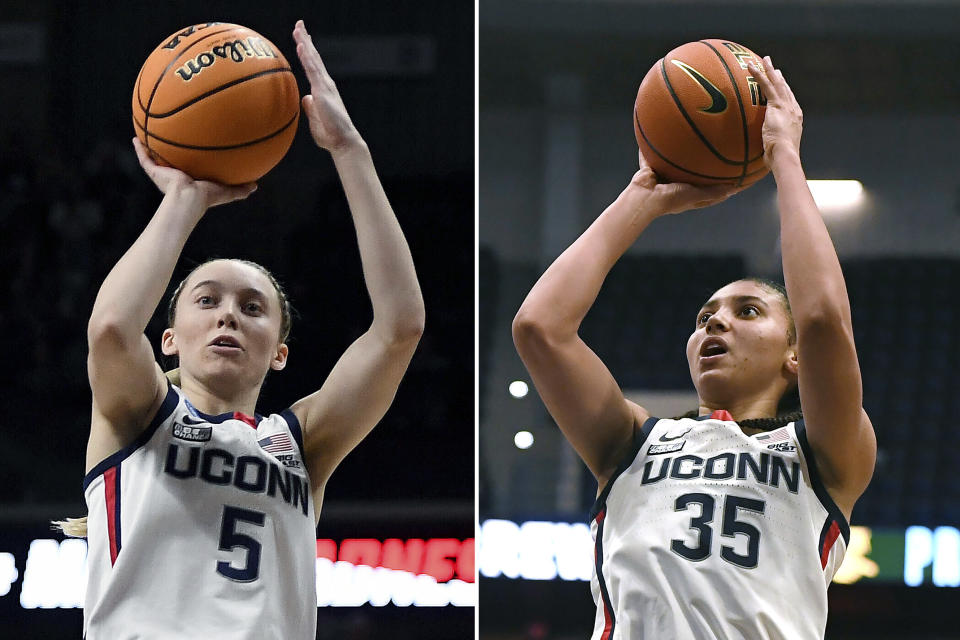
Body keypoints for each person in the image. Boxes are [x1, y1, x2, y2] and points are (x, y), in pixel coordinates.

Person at [60, 19, 424, 639]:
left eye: (253, 308)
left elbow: (400, 328)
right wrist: (185, 197)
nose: (229, 313)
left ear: (279, 353)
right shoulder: (139, 415)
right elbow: (113, 329)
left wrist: (350, 152)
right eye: (206, 300)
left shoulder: (302, 443)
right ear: (168, 338)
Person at [512, 56, 876, 639]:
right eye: (704, 317)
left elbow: (824, 320)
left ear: (794, 356)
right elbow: (539, 328)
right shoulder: (631, 442)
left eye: (747, 311)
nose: (715, 325)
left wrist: (784, 157)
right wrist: (644, 195)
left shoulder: (823, 452)